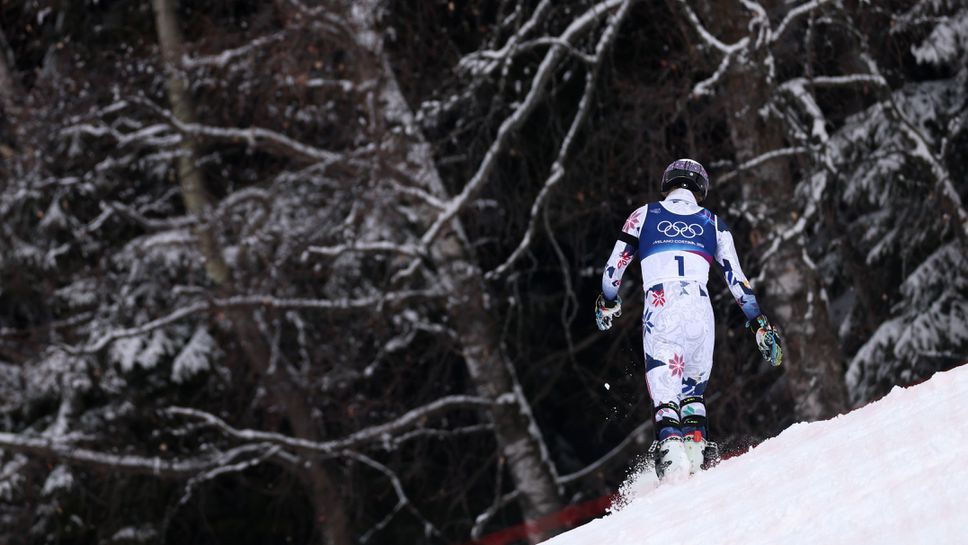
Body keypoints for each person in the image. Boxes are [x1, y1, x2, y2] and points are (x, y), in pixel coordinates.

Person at [594, 158, 783, 481]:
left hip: (662, 305)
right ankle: (696, 453)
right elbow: (738, 282)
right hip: (700, 308)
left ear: (668, 183)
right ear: (701, 189)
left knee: (666, 395)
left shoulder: (644, 215)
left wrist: (608, 302)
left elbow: (613, 270)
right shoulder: (714, 224)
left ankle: (671, 461)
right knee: (693, 392)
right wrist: (759, 324)